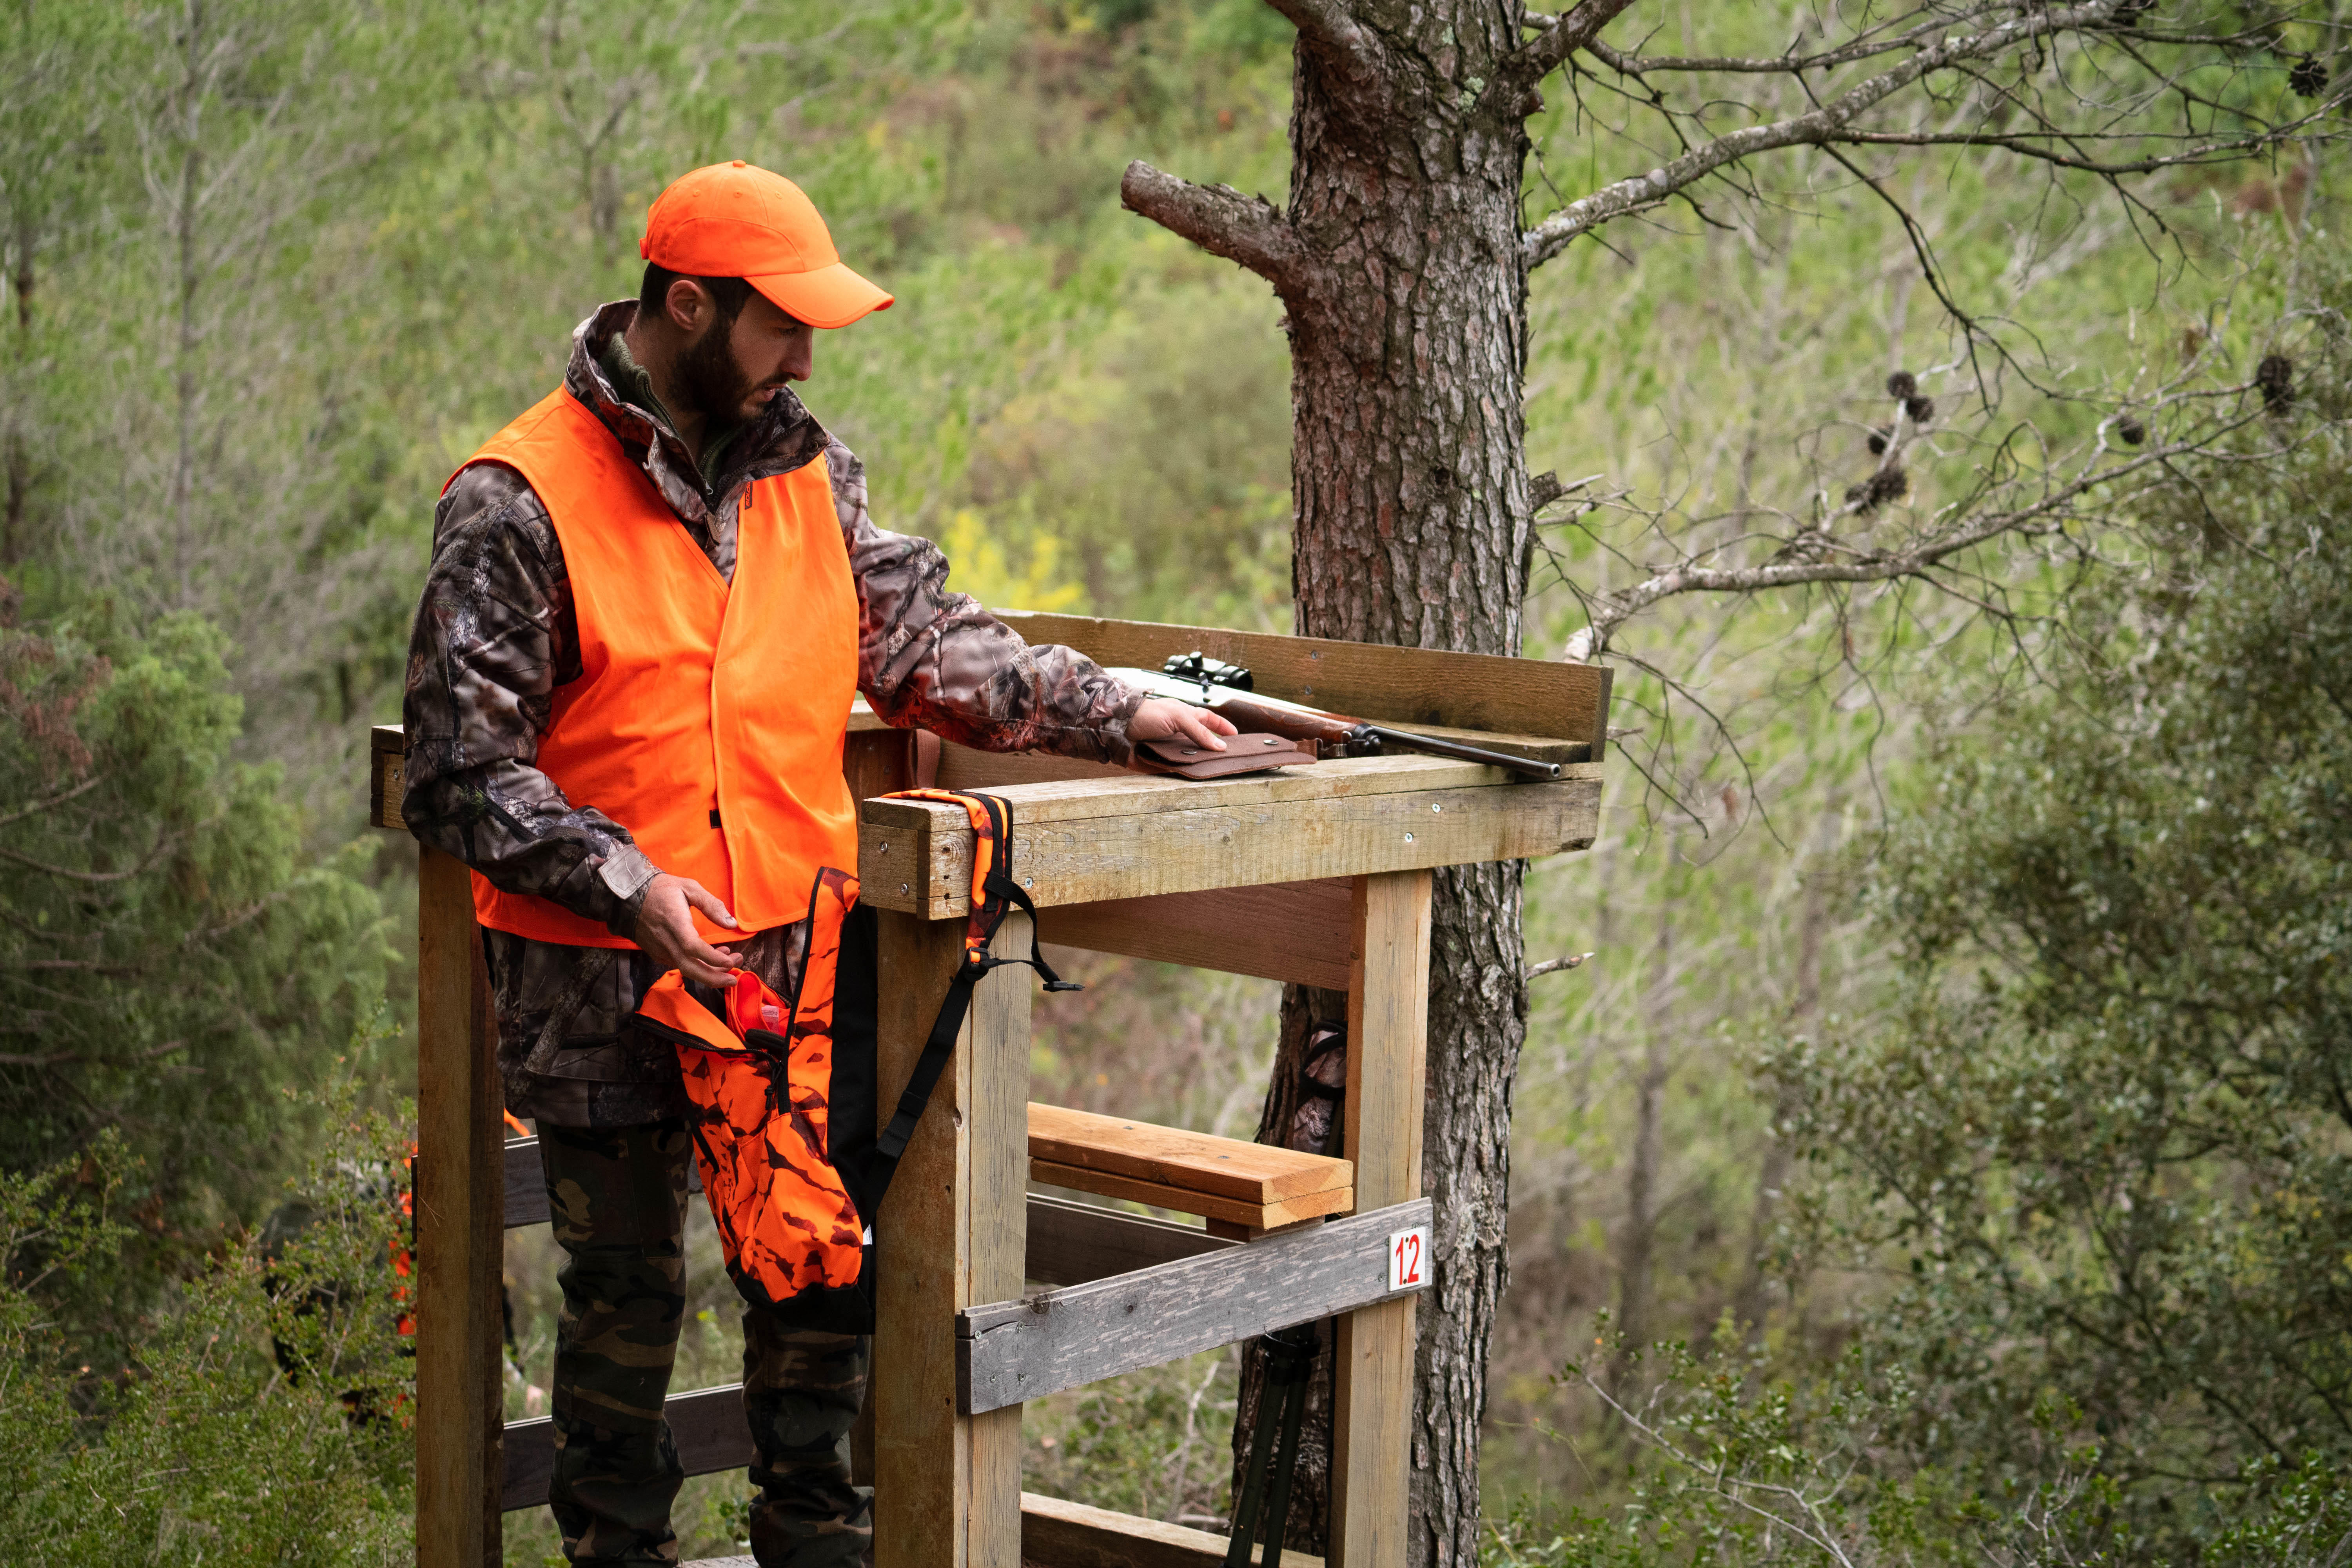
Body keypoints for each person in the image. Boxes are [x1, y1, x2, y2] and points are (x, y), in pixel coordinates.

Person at [400, 160, 1233, 1568]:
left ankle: (815, 1551)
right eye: (781, 324)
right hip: (596, 981)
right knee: (623, 1304)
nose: (805, 353)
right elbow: (458, 771)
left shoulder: (809, 468)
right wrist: (624, 882)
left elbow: (925, 649)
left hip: (795, 963)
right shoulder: (513, 499)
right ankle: (621, 1556)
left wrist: (1126, 711)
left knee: (819, 1279)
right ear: (683, 304)